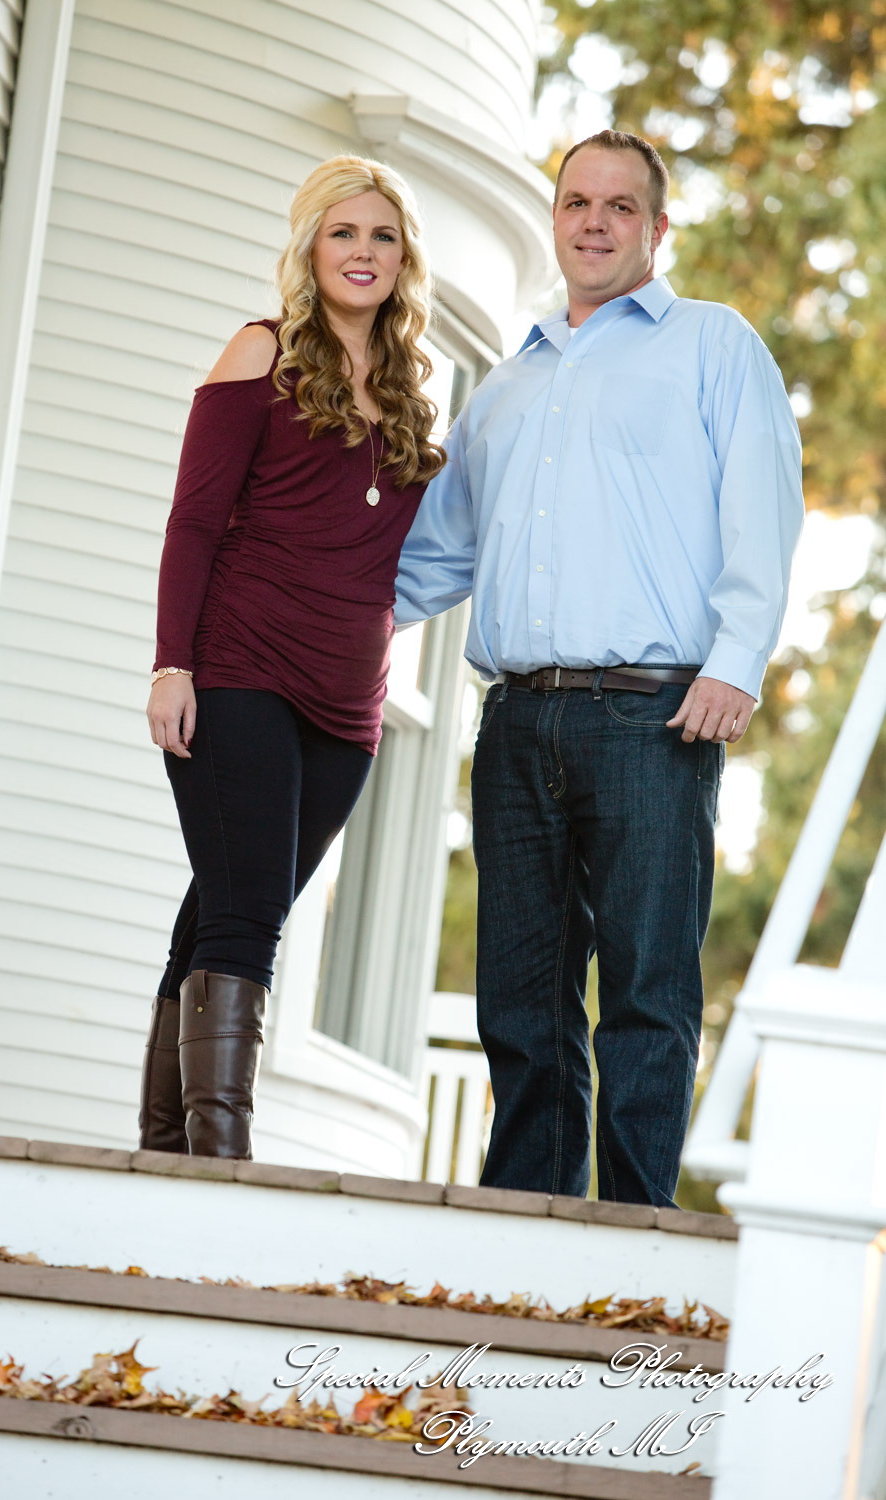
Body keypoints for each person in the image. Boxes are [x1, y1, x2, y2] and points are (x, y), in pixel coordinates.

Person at [394, 129, 804, 1208]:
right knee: (520, 999)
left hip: (656, 714)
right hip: (518, 721)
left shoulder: (713, 346)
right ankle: (524, 1222)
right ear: (556, 217)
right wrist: (290, 622)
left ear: (657, 229)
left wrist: (735, 662)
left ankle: (631, 1235)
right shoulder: (510, 384)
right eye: (576, 201)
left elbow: (761, 508)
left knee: (644, 990)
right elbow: (434, 556)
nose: (592, 222)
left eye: (619, 207)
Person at [141, 155, 444, 1159]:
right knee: (249, 916)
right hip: (238, 672)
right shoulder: (259, 353)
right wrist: (170, 664)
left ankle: (163, 1150)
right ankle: (221, 1164)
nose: (362, 253)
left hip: (346, 709)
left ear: (404, 261)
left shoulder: (410, 396)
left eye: (383, 237)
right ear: (311, 246)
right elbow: (192, 523)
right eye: (343, 233)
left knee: (220, 909)